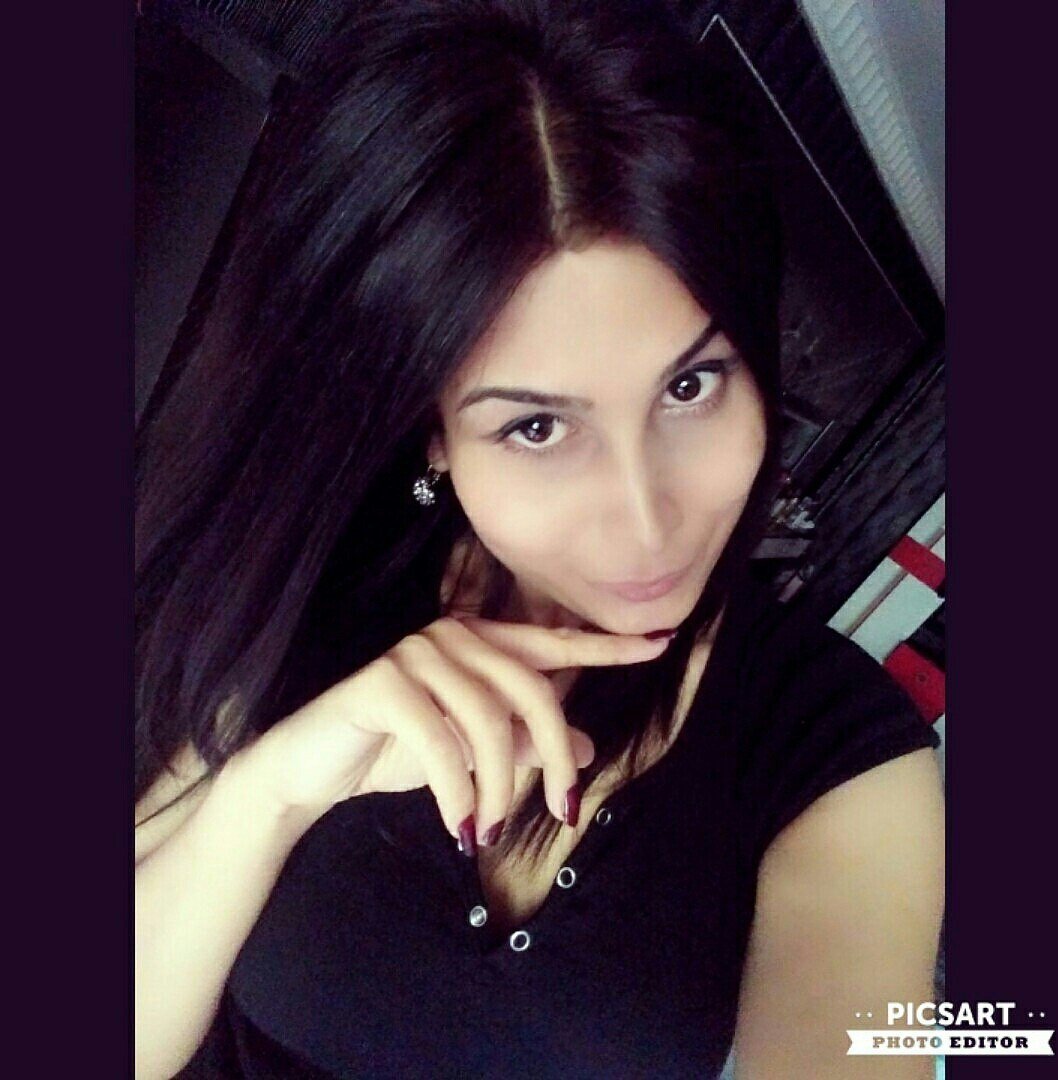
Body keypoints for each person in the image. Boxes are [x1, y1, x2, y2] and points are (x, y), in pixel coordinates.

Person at [134, 1, 944, 1077]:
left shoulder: (836, 754)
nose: (647, 523)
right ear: (433, 429)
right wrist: (267, 797)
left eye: (691, 386)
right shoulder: (317, 590)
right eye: (537, 427)